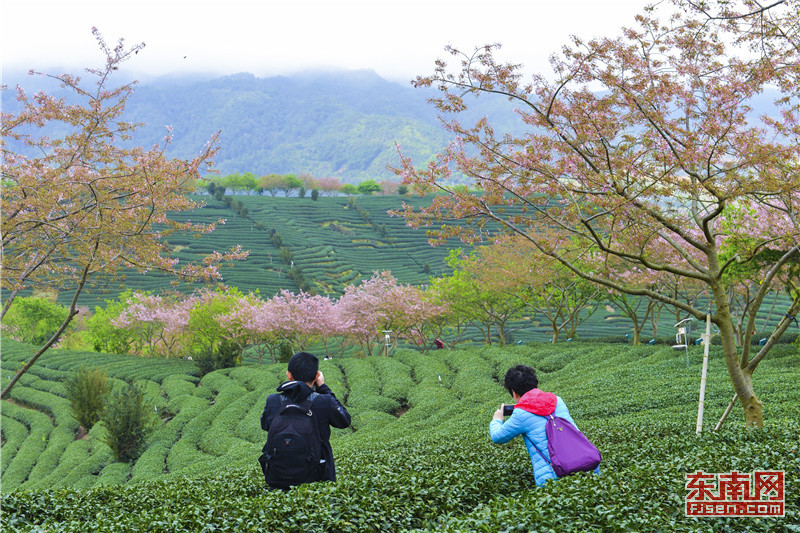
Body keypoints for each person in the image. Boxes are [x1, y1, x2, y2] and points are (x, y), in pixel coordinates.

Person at [489, 364, 599, 486]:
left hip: (555, 476)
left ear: (514, 393)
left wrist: (497, 420)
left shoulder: (521, 414)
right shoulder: (557, 400)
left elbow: (497, 437)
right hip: (588, 465)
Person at [260, 351, 351, 486]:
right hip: (317, 478)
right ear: (316, 376)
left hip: (279, 476)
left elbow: (265, 425)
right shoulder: (323, 401)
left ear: (288, 375)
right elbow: (344, 420)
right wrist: (323, 387)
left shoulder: (273, 400)